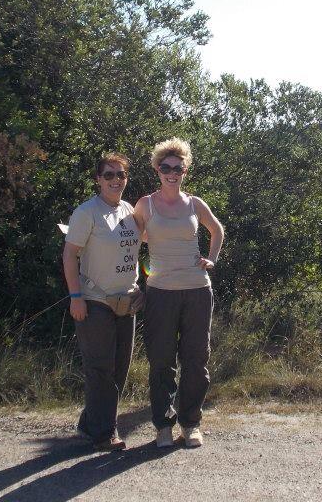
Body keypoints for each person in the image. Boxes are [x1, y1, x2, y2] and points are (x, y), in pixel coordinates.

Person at [132, 137, 224, 449]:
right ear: (157, 169)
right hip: (160, 291)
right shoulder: (145, 204)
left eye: (178, 168)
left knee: (196, 360)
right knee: (161, 361)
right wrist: (133, 277)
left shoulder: (195, 204)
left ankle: (191, 424)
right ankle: (163, 427)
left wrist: (212, 258)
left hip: (198, 290)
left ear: (185, 170)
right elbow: (131, 239)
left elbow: (217, 229)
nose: (172, 172)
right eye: (166, 167)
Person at [62, 152, 141, 451]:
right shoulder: (86, 212)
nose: (115, 180)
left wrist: (142, 287)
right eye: (109, 175)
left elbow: (137, 253)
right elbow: (70, 255)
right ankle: (105, 433)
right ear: (98, 179)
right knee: (100, 368)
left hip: (127, 300)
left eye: (120, 174)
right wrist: (76, 296)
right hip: (95, 300)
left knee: (120, 367)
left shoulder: (129, 210)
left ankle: (89, 422)